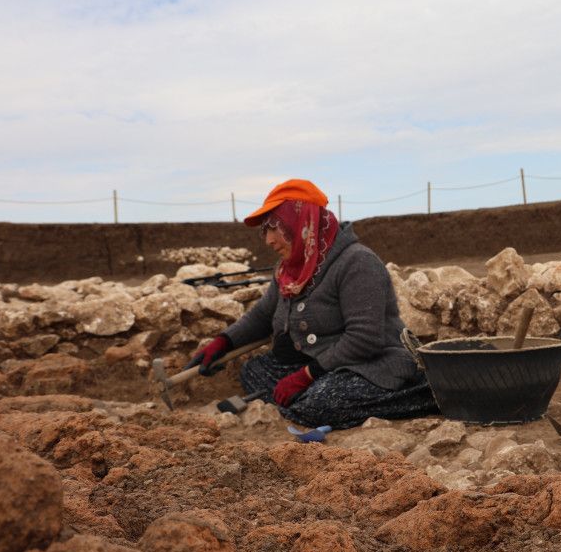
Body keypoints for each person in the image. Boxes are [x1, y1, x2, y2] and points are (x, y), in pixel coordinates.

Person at [187, 178, 438, 429]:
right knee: (253, 371)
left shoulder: (357, 262)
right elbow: (263, 315)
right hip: (316, 364)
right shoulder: (290, 269)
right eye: (266, 230)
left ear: (301, 222)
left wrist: (306, 376)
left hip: (369, 364)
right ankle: (301, 399)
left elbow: (364, 338)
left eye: (276, 228)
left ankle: (424, 393)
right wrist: (223, 342)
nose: (269, 240)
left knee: (320, 403)